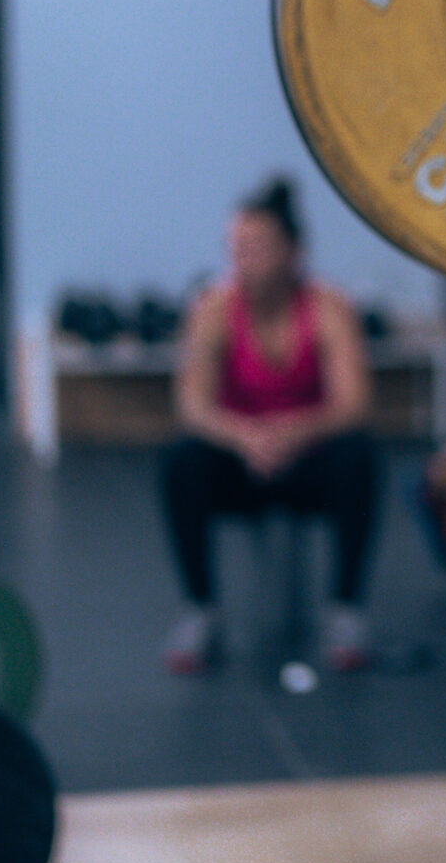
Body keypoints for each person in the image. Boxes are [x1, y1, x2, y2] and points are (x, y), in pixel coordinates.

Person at [160, 177, 381, 674]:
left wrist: (292, 433)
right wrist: (246, 437)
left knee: (359, 457)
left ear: (293, 252)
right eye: (236, 249)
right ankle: (200, 608)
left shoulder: (328, 306)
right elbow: (192, 404)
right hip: (241, 464)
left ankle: (345, 610)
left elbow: (354, 403)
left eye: (257, 248)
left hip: (308, 462)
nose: (244, 260)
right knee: (180, 461)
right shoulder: (214, 307)